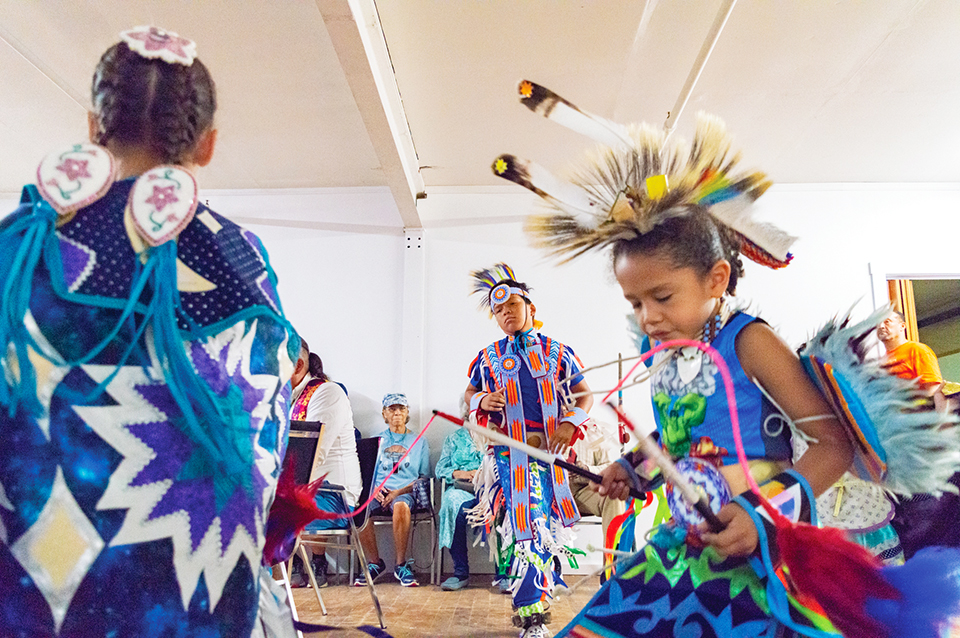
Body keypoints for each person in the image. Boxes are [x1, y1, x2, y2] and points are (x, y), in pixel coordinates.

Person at [495, 95, 853, 636]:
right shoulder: (663, 354)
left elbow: (834, 445)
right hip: (683, 542)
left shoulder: (749, 342)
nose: (649, 317)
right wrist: (633, 466)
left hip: (760, 553)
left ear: (716, 279)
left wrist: (762, 518)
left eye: (662, 296)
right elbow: (678, 434)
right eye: (635, 303)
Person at [0, 27, 298, 637]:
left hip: (35, 601)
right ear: (208, 144)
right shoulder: (240, 258)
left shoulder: (21, 246)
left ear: (93, 126)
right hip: (194, 607)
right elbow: (261, 441)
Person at [465, 264, 594, 638]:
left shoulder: (557, 351)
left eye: (512, 306)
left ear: (530, 307)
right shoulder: (488, 357)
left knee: (545, 526)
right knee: (529, 526)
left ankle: (536, 602)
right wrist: (484, 400)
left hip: (551, 456)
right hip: (509, 456)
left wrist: (570, 423)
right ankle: (532, 615)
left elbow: (585, 392)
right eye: (499, 311)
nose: (506, 314)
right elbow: (470, 395)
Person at [879, 311, 960, 558]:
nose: (881, 326)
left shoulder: (916, 350)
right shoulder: (881, 362)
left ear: (902, 326)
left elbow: (933, 389)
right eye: (878, 323)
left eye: (888, 321)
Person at [288, 338, 362, 587]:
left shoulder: (326, 393)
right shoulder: (290, 399)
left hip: (334, 495)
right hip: (307, 490)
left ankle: (271, 594)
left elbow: (309, 456)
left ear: (298, 365)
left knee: (256, 506)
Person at [355, 393, 430, 587]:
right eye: (392, 409)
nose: (397, 413)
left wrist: (398, 492)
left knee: (401, 506)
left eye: (401, 409)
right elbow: (367, 474)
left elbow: (423, 477)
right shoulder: (376, 441)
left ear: (407, 413)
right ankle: (374, 563)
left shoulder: (419, 441)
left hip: (405, 493)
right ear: (384, 414)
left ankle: (401, 564)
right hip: (378, 493)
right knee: (358, 508)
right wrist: (376, 490)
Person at [434, 402, 485, 591]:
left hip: (489, 489)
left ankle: (504, 573)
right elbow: (440, 468)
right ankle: (460, 572)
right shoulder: (453, 439)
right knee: (450, 503)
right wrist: (460, 473)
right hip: (461, 489)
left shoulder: (496, 437)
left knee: (503, 504)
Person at [567, 419, 626, 562]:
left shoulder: (594, 431)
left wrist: (587, 470)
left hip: (583, 491)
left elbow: (607, 467)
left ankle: (611, 564)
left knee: (614, 496)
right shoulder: (544, 424)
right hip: (550, 493)